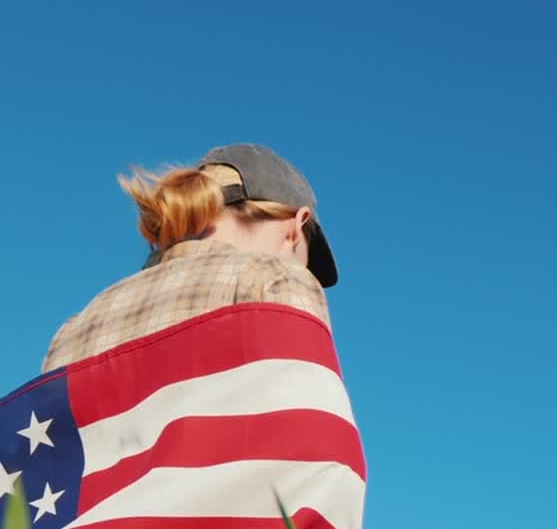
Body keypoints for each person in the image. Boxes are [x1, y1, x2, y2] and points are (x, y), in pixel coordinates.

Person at [42, 143, 339, 372]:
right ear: (295, 228)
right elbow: (305, 431)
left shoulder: (76, 327)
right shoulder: (274, 280)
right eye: (305, 260)